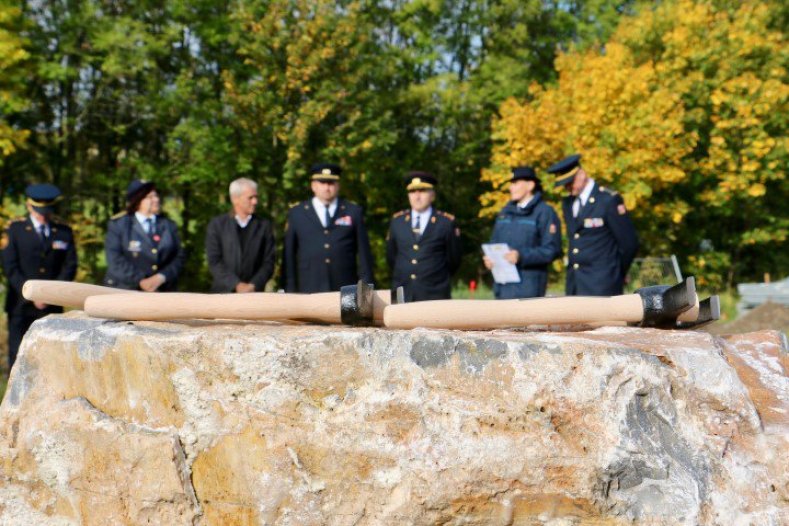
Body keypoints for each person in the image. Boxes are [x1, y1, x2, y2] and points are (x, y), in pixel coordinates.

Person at [2, 183, 77, 368]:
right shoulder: (15, 230)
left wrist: (51, 294)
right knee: (19, 357)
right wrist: (32, 294)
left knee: (52, 359)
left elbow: (70, 265)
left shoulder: (63, 231)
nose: (43, 214)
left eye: (47, 209)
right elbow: (10, 267)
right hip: (21, 305)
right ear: (29, 205)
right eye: (38, 210)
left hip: (51, 305)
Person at [547, 154, 639, 296]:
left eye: (570, 182)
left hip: (603, 283)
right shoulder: (568, 203)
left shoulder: (607, 200)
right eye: (565, 184)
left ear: (582, 174)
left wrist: (616, 272)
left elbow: (629, 243)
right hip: (575, 284)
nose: (568, 187)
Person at [283, 163, 374, 292]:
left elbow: (364, 255)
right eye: (322, 182)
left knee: (346, 313)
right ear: (313, 185)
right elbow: (289, 256)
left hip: (346, 287)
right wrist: (289, 289)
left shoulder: (353, 211)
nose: (327, 187)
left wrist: (366, 290)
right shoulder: (297, 213)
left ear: (338, 185)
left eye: (331, 183)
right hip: (309, 287)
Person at [483, 166, 562, 299]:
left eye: (515, 183)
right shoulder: (504, 212)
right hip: (502, 289)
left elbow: (552, 250)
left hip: (529, 291)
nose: (510, 188)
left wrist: (521, 256)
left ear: (530, 185)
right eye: (511, 184)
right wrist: (490, 259)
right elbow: (494, 242)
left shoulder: (545, 212)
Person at [386, 171, 462, 302]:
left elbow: (454, 259)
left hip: (434, 294)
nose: (417, 196)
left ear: (432, 195)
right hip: (403, 293)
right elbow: (391, 256)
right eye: (412, 191)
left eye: (422, 190)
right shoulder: (397, 221)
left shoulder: (446, 222)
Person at [104, 180, 184, 291]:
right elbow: (115, 260)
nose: (156, 200)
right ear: (137, 201)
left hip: (162, 291)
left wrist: (162, 277)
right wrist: (141, 280)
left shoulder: (168, 225)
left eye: (156, 195)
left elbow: (179, 257)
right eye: (150, 197)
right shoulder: (119, 225)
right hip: (125, 291)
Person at [205, 178, 276, 293]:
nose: (255, 202)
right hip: (223, 295)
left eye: (256, 197)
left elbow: (269, 262)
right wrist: (236, 285)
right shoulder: (217, 225)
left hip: (254, 296)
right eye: (250, 198)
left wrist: (253, 285)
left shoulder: (264, 226)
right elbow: (215, 261)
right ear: (235, 199)